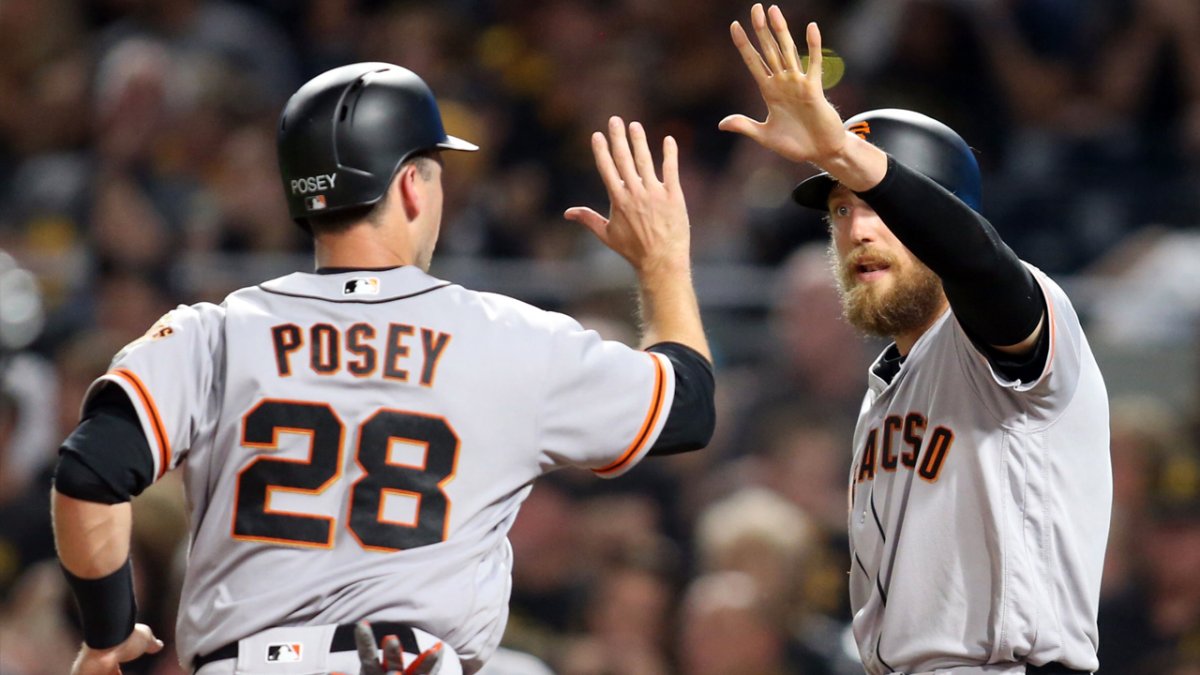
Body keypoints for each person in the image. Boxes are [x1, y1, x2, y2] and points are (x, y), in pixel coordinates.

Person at [50, 62, 715, 675]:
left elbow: (88, 471)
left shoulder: (216, 332)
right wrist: (661, 267)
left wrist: (108, 635)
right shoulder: (508, 338)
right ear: (408, 186)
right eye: (434, 166)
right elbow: (687, 406)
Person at [721, 5, 1111, 674]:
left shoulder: (1009, 326)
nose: (855, 229)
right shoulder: (883, 390)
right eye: (841, 209)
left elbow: (980, 264)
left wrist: (847, 153)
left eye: (878, 205)